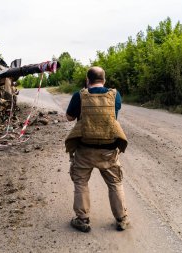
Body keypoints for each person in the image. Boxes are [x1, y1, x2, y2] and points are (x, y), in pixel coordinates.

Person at [65, 66, 130, 232]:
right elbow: (114, 113)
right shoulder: (115, 95)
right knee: (115, 183)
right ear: (104, 80)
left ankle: (82, 219)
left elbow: (69, 117)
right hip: (109, 150)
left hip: (85, 149)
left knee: (80, 182)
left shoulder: (79, 95)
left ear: (87, 80)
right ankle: (121, 219)